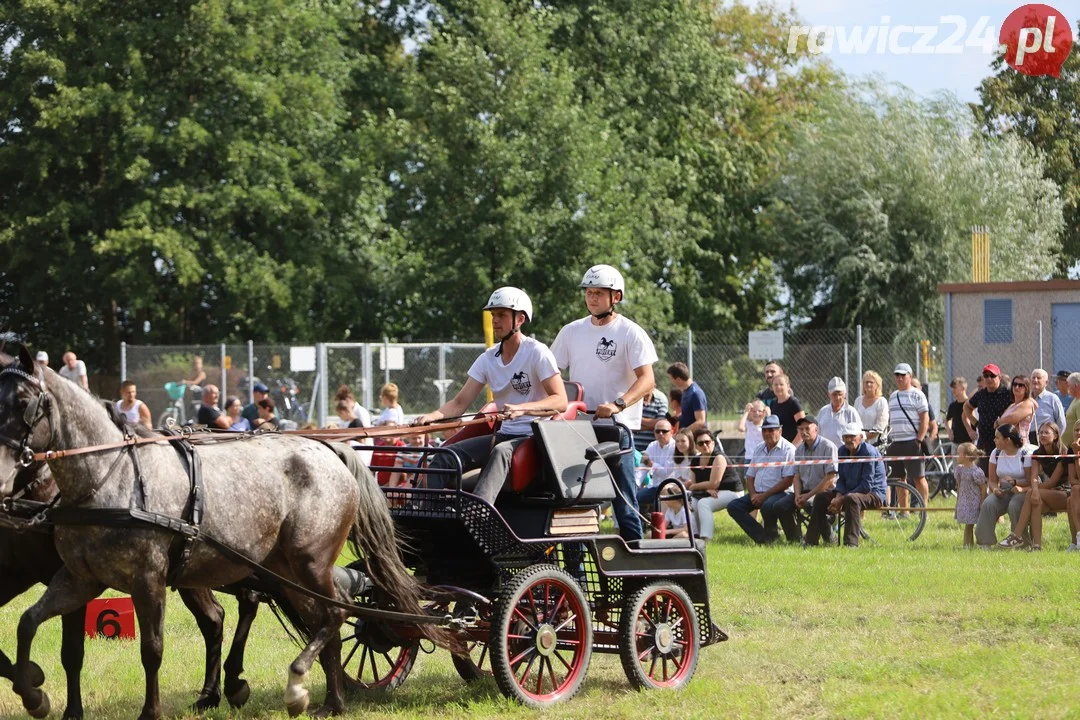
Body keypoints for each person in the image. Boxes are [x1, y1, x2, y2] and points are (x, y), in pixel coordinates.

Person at [416, 287, 567, 505]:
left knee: (500, 452)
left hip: (533, 439)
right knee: (446, 455)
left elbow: (560, 400)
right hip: (503, 436)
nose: (495, 321)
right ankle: (423, 511)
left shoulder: (537, 352)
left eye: (502, 315)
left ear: (520, 319)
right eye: (493, 315)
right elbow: (459, 403)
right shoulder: (488, 358)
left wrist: (523, 408)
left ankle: (477, 512)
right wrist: (433, 416)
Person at [551, 265, 658, 542]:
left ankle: (636, 560)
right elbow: (550, 375)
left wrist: (618, 404)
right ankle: (577, 571)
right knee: (576, 499)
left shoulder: (631, 332)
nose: (592, 298)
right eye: (588, 292)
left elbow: (647, 380)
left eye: (599, 293)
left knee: (624, 500)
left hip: (616, 428)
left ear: (616, 297)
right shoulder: (571, 331)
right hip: (577, 426)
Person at [807, 423, 887, 548]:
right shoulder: (842, 451)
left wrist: (842, 499)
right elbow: (842, 479)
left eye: (852, 436)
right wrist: (838, 496)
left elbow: (866, 485)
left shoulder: (869, 452)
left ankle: (851, 544)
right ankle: (810, 541)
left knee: (852, 499)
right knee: (821, 498)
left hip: (873, 494)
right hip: (849, 493)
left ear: (860, 437)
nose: (849, 439)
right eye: (846, 436)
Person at [726, 415, 799, 544]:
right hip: (758, 493)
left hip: (781, 493)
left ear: (780, 431)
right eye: (764, 430)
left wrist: (764, 496)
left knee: (767, 504)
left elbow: (788, 480)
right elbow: (750, 476)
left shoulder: (789, 450)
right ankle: (763, 537)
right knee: (734, 506)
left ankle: (773, 537)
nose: (767, 433)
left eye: (771, 430)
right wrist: (753, 494)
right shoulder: (759, 448)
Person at [998, 422, 1071, 551]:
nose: (1042, 435)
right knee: (1036, 504)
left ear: (1055, 435)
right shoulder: (1037, 453)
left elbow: (1052, 482)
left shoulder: (1063, 453)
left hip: (1066, 494)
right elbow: (1033, 477)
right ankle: (1036, 546)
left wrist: (1034, 490)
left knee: (1032, 493)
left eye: (1046, 432)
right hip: (1048, 493)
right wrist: (1034, 489)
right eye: (1040, 432)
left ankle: (1016, 535)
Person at [775, 416, 838, 544]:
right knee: (780, 505)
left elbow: (830, 479)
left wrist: (807, 496)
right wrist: (797, 495)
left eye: (807, 428)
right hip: (804, 492)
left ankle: (825, 539)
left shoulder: (828, 447)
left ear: (816, 429)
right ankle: (795, 539)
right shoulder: (798, 450)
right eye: (801, 429)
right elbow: (796, 476)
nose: (804, 432)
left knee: (811, 503)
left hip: (825, 492)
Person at [974, 424, 1034, 549]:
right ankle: (985, 542)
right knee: (989, 504)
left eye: (997, 437)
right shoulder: (995, 453)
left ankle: (1020, 541)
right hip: (1004, 490)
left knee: (1014, 505)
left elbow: (1030, 481)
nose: (994, 440)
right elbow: (992, 481)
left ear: (1008, 440)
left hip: (1023, 491)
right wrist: (995, 489)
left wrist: (1016, 483)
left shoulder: (1025, 453)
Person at [688, 429, 744, 541]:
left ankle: (706, 538)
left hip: (733, 492)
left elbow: (714, 483)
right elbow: (694, 483)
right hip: (709, 492)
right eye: (700, 443)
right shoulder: (695, 461)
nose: (704, 445)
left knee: (703, 503)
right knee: (693, 504)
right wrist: (705, 489)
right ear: (696, 446)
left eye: (707, 442)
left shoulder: (719, 458)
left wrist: (699, 487)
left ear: (713, 442)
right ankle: (696, 536)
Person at [887, 363, 929, 506]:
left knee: (919, 478)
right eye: (897, 375)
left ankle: (924, 511)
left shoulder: (918, 395)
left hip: (912, 441)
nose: (899, 378)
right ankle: (903, 511)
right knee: (899, 479)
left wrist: (919, 440)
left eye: (902, 375)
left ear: (910, 376)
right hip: (895, 442)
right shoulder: (892, 396)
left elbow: (925, 418)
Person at [963, 363, 1013, 473]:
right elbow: (967, 407)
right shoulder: (981, 394)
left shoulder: (1007, 394)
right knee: (982, 475)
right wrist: (975, 423)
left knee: (1002, 475)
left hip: (1003, 442)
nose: (989, 378)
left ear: (999, 377)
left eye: (992, 375)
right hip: (984, 442)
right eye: (986, 376)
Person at [952, 443, 986, 549]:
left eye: (959, 453)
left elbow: (983, 488)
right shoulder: (960, 470)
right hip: (964, 501)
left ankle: (967, 546)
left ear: (966, 456)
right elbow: (959, 485)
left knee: (969, 525)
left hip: (973, 502)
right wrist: (959, 500)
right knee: (969, 525)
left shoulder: (976, 472)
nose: (956, 456)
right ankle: (969, 545)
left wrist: (982, 502)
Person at [817, 377, 861, 449]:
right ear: (829, 394)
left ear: (845, 394)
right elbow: (817, 434)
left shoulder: (851, 412)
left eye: (840, 394)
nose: (837, 397)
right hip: (825, 454)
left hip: (844, 455)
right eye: (834, 394)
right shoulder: (823, 411)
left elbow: (860, 435)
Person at [667, 362, 707, 434]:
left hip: (695, 438)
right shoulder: (685, 392)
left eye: (671, 379)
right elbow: (688, 414)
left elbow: (700, 421)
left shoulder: (695, 393)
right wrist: (675, 419)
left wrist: (682, 434)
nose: (671, 382)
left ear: (678, 379)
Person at [995, 376, 1038, 442]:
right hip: (1006, 444)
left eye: (1020, 385)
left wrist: (997, 422)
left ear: (1026, 388)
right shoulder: (1011, 406)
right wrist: (999, 423)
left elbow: (1010, 420)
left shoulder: (1028, 403)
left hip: (1020, 445)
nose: (1016, 387)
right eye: (1014, 384)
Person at [1030, 369, 1066, 446]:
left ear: (1046, 382)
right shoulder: (1026, 398)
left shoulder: (1052, 398)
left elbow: (1061, 423)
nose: (1035, 380)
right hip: (1029, 440)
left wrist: (1055, 440)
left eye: (1039, 378)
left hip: (1047, 441)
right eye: (1033, 378)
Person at [853, 370, 889, 446]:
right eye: (866, 382)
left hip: (876, 445)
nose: (868, 384)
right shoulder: (858, 400)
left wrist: (863, 437)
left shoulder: (882, 402)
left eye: (871, 382)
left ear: (877, 385)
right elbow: (854, 422)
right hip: (858, 444)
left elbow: (879, 427)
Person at [769, 373, 804, 442]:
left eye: (781, 384)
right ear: (772, 387)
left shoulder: (793, 403)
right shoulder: (773, 403)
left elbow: (803, 428)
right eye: (775, 385)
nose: (778, 387)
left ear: (788, 386)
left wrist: (793, 447)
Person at [945, 377, 972, 446]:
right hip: (956, 441)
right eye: (952, 388)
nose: (953, 390)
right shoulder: (953, 405)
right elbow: (948, 419)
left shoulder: (971, 404)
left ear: (963, 388)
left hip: (969, 441)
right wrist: (949, 431)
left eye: (955, 388)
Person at [1063, 373, 1080, 447]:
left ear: (1076, 386)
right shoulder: (1075, 400)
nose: (1068, 389)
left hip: (1075, 447)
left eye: (1069, 386)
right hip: (1068, 447)